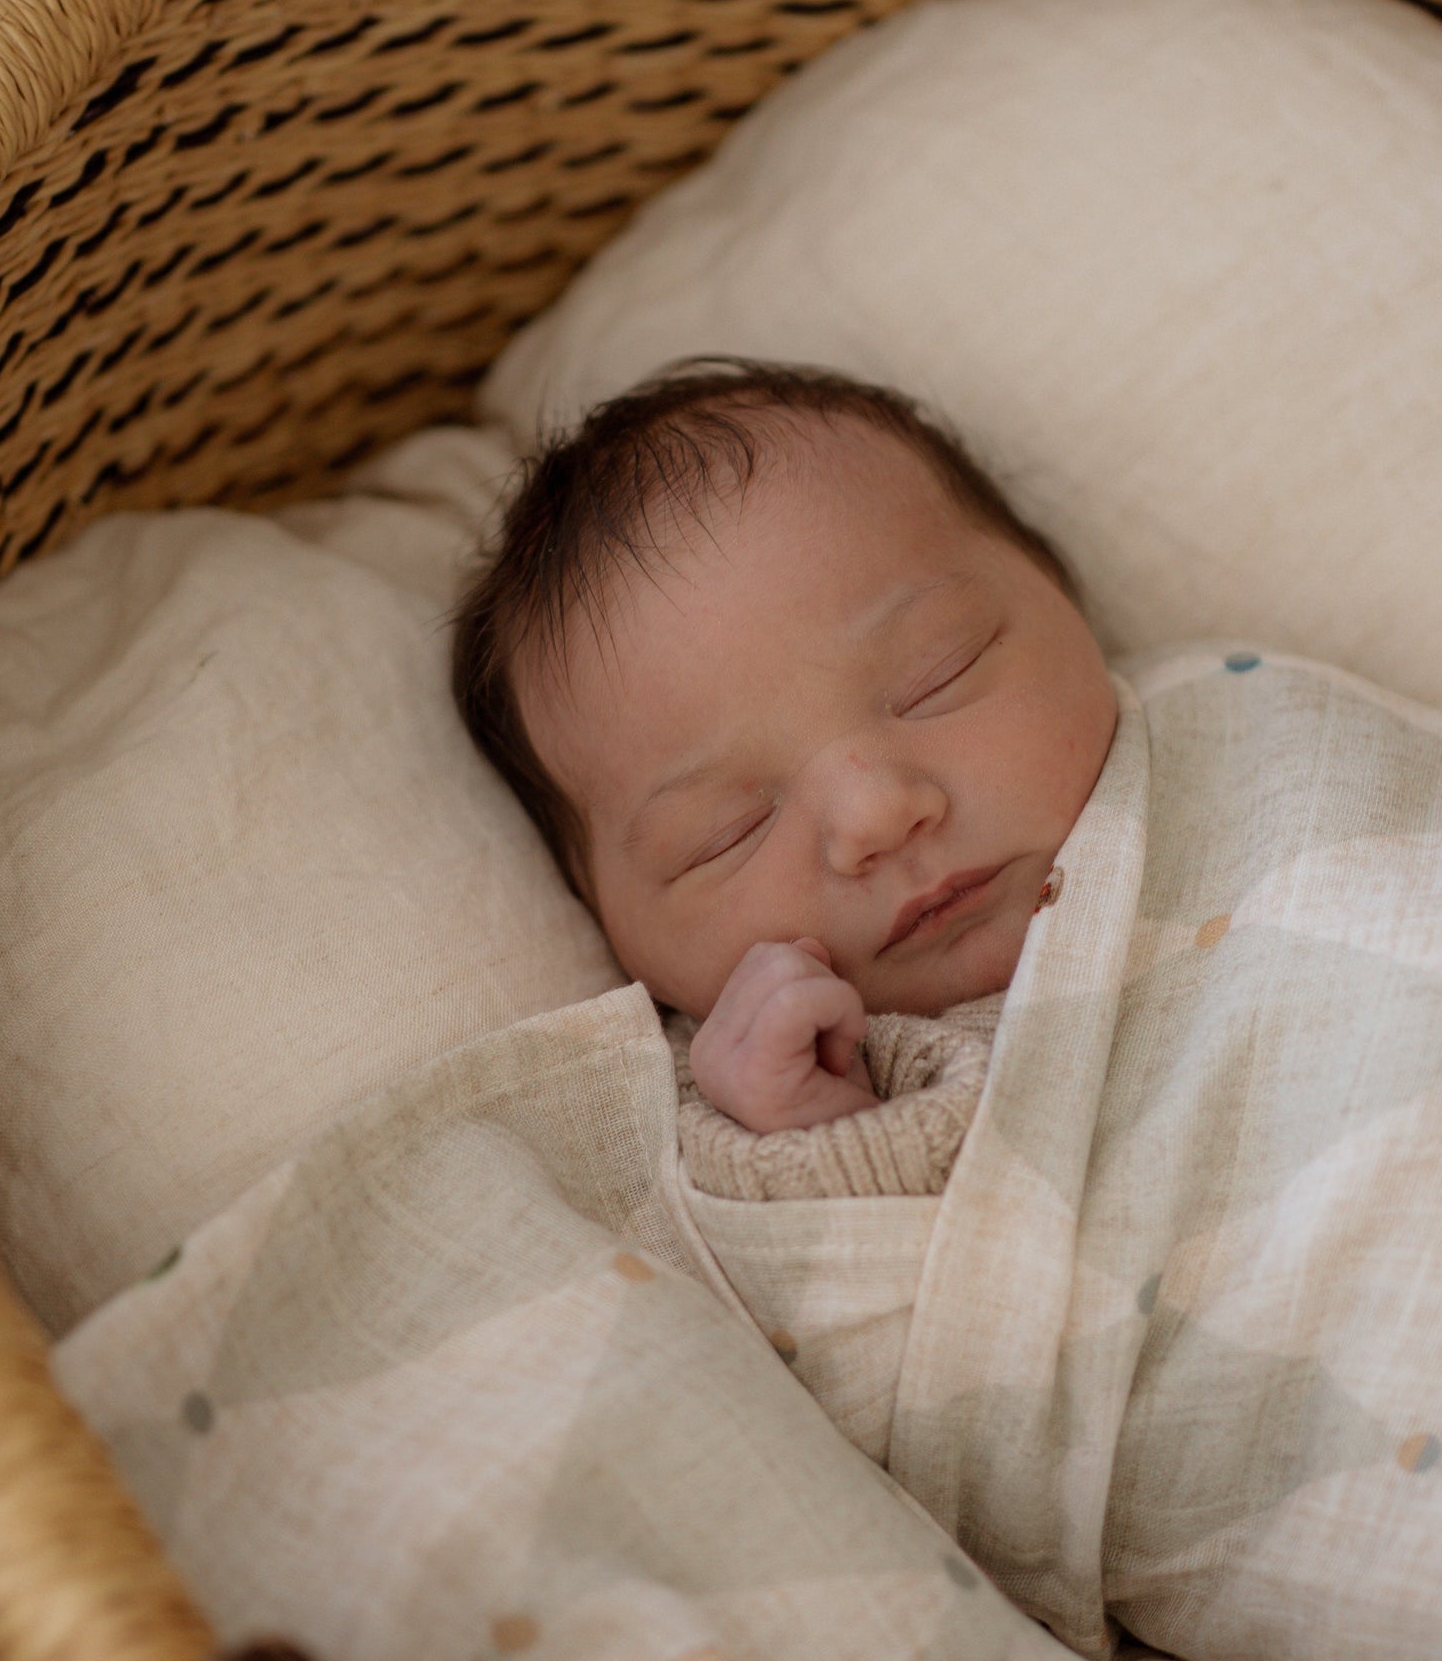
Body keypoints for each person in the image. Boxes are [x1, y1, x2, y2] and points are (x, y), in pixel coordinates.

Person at [453, 359, 1115, 1134]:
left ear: (1057, 587)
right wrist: (817, 1139)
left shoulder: (1242, 722)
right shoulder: (720, 1107)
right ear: (618, 939)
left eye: (941, 673)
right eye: (724, 836)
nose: (873, 815)